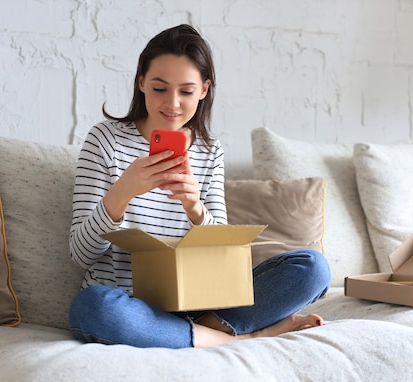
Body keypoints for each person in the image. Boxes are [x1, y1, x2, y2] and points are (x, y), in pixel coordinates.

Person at [68, 24, 330, 349]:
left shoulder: (209, 152)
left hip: (196, 304)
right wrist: (121, 193)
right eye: (160, 88)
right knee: (92, 308)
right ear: (141, 83)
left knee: (313, 268)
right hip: (125, 302)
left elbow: (222, 255)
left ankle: (196, 333)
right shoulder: (105, 141)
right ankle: (242, 337)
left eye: (186, 91)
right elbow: (80, 255)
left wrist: (195, 209)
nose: (172, 103)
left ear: (204, 90)